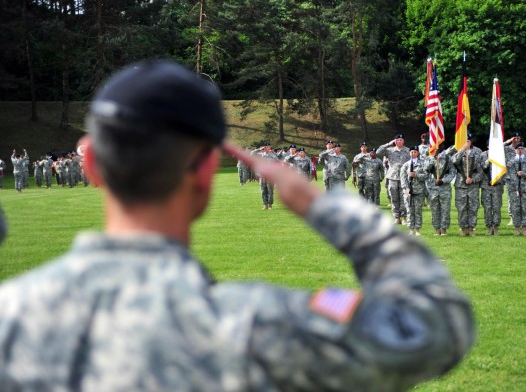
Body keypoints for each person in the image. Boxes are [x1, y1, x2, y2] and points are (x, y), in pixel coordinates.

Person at [0, 60, 474, 391]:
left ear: (90, 165)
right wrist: (323, 206)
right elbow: (434, 327)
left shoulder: (10, 316)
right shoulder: (256, 321)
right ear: (207, 169)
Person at [449, 134, 483, 236]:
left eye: (468, 140)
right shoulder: (457, 151)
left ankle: (471, 227)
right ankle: (463, 228)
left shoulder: (477, 153)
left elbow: (480, 171)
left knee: (473, 207)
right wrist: (462, 149)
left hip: (473, 185)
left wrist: (473, 179)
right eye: (465, 140)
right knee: (461, 207)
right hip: (460, 184)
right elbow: (454, 161)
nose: (467, 142)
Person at [377, 134, 411, 224]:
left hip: (404, 178)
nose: (399, 141)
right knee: (394, 198)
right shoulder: (389, 150)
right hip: (392, 177)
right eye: (397, 140)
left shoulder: (408, 151)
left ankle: (404, 217)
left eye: (401, 140)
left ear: (403, 141)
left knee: (404, 198)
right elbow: (378, 152)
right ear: (394, 141)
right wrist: (388, 144)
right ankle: (397, 217)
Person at [425, 143, 455, 236]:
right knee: (434, 209)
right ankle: (436, 228)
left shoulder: (448, 158)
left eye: (440, 145)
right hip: (432, 188)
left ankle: (444, 228)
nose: (438, 147)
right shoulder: (429, 158)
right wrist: (433, 158)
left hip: (445, 188)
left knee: (445, 209)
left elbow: (452, 172)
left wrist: (443, 180)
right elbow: (425, 169)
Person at [400, 145, 429, 236]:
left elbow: (426, 175)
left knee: (418, 211)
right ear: (409, 153)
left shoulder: (423, 164)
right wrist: (406, 189)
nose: (413, 153)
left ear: (418, 153)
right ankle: (411, 229)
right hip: (408, 192)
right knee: (409, 210)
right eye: (412, 152)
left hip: (419, 191)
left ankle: (417, 229)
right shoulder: (405, 165)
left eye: (415, 152)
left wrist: (416, 175)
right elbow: (403, 178)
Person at [506, 142, 526, 235]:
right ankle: (517, 228)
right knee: (515, 208)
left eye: (522, 148)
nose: (520, 150)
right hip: (514, 189)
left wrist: (524, 174)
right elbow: (508, 175)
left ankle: (525, 227)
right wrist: (513, 187)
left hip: (525, 188)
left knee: (525, 208)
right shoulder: (510, 162)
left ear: (525, 150)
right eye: (518, 149)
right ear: (515, 150)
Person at [480, 146, 505, 236]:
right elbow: (482, 167)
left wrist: (498, 181)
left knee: (497, 207)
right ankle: (489, 227)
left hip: (497, 186)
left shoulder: (500, 156)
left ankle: (496, 226)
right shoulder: (483, 155)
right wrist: (489, 159)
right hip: (486, 185)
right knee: (487, 208)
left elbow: (504, 171)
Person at [250, 143, 279, 209]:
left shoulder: (273, 156)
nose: (266, 148)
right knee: (263, 191)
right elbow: (251, 154)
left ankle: (270, 205)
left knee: (270, 191)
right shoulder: (259, 155)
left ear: (270, 147)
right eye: (265, 147)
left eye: (267, 147)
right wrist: (258, 149)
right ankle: (265, 205)